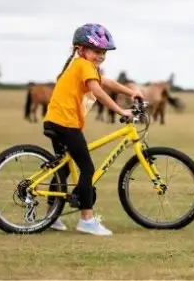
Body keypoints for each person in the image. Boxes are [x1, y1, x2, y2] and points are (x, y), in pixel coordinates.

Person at [44, 23, 144, 236]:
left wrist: (131, 92)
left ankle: (51, 216)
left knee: (61, 167)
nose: (100, 56)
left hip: (55, 120)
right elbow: (98, 91)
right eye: (96, 51)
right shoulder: (83, 65)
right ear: (81, 50)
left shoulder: (79, 65)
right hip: (66, 123)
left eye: (103, 53)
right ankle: (86, 220)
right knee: (87, 169)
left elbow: (106, 81)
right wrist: (120, 110)